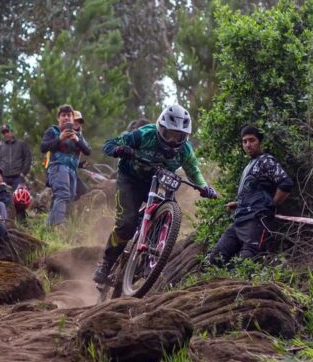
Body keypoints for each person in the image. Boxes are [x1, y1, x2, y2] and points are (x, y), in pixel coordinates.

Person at [93, 104, 218, 283]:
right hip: (130, 179)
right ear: (160, 129)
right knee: (126, 223)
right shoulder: (144, 134)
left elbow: (194, 172)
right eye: (169, 135)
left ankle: (149, 250)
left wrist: (205, 187)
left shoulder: (185, 151)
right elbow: (109, 144)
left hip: (156, 181)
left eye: (179, 137)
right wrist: (120, 149)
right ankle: (106, 263)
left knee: (168, 203)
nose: (173, 141)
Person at [208, 125, 293, 267]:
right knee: (215, 258)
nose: (247, 145)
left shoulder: (266, 160)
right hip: (239, 221)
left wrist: (271, 207)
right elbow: (255, 191)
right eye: (244, 141)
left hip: (256, 221)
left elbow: (286, 184)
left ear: (259, 141)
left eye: (251, 140)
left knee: (246, 262)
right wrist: (238, 203)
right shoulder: (249, 165)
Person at [40, 104, 90, 226]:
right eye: (64, 115)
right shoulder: (53, 131)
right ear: (58, 118)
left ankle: (49, 226)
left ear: (73, 119)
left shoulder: (78, 135)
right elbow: (43, 147)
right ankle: (58, 225)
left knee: (70, 196)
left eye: (69, 115)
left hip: (72, 170)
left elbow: (88, 151)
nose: (67, 118)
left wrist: (77, 140)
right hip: (57, 167)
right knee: (62, 194)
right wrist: (60, 138)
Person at [0, 123, 31, 190]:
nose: (5, 134)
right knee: (1, 197)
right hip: (3, 177)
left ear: (12, 132)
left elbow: (28, 158)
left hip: (18, 177)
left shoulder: (21, 144)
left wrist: (23, 173)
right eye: (3, 133)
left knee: (20, 197)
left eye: (7, 131)